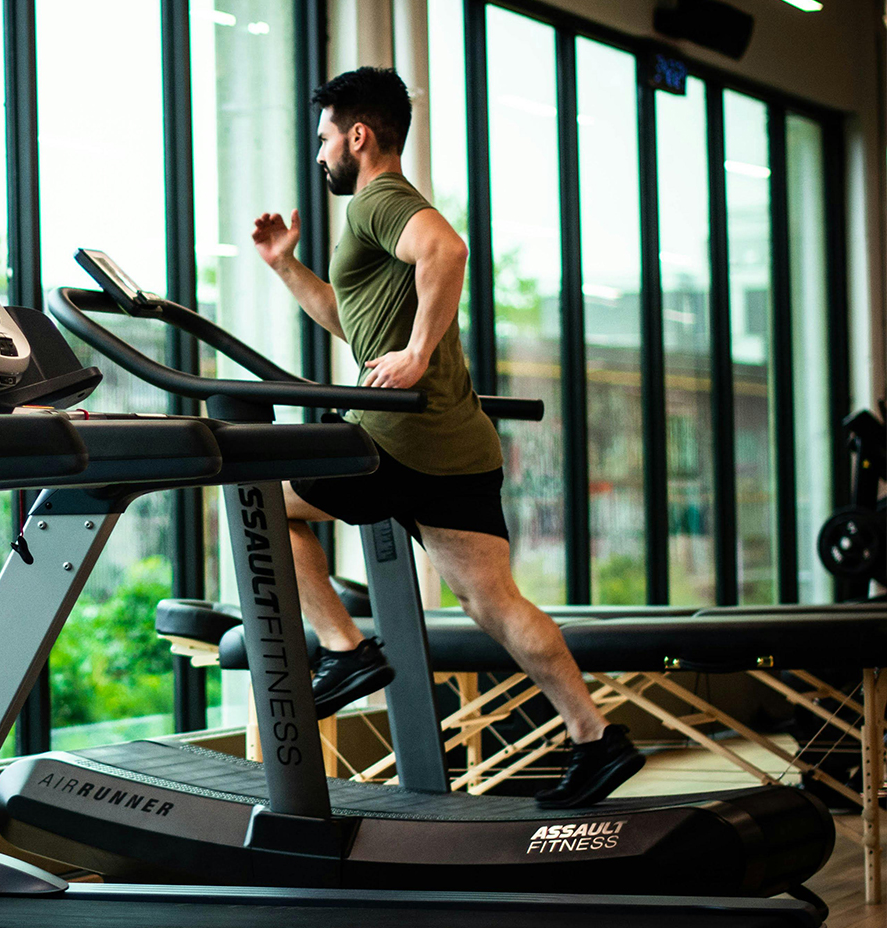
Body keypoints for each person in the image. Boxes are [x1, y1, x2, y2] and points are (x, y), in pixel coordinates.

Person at [251, 66, 643, 808]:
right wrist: (286, 266)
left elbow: (449, 252)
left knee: (259, 499)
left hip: (395, 437)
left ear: (357, 136)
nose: (321, 154)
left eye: (325, 138)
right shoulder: (381, 215)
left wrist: (419, 355)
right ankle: (595, 737)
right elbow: (353, 321)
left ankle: (345, 651)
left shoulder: (381, 201)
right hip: (457, 444)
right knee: (495, 603)